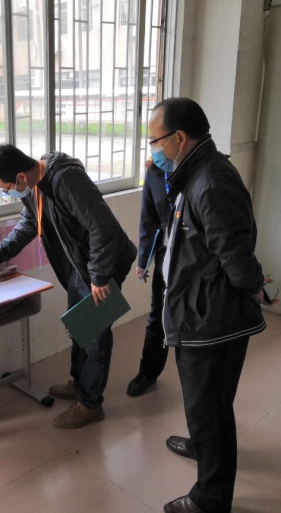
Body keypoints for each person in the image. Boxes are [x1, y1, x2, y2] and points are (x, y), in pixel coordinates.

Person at [149, 97, 276, 513]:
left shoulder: (211, 181)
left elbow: (235, 254)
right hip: (197, 310)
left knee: (211, 409)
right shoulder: (195, 171)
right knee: (204, 402)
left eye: (156, 141)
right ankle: (202, 443)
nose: (153, 150)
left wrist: (254, 289)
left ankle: (211, 498)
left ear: (179, 137)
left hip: (212, 321)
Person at [0, 144, 137, 429]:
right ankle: (79, 383)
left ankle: (90, 404)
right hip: (79, 267)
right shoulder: (35, 187)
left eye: (6, 188)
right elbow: (29, 224)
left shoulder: (67, 179)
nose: (7, 193)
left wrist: (99, 276)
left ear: (20, 177)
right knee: (79, 327)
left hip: (100, 266)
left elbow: (101, 227)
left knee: (96, 336)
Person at [126, 158, 171, 396]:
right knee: (158, 316)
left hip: (197, 260)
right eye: (151, 141)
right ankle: (148, 373)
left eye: (156, 141)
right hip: (167, 256)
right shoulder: (155, 172)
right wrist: (144, 260)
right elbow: (149, 217)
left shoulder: (201, 168)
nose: (154, 147)